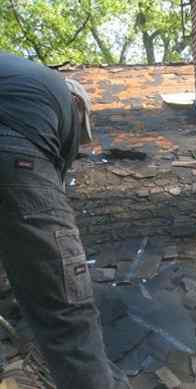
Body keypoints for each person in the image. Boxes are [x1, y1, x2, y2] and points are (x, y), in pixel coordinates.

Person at [0, 52, 130, 389]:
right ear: (77, 103)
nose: (76, 141)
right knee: (67, 311)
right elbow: (44, 202)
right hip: (13, 159)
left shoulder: (19, 84)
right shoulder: (56, 93)